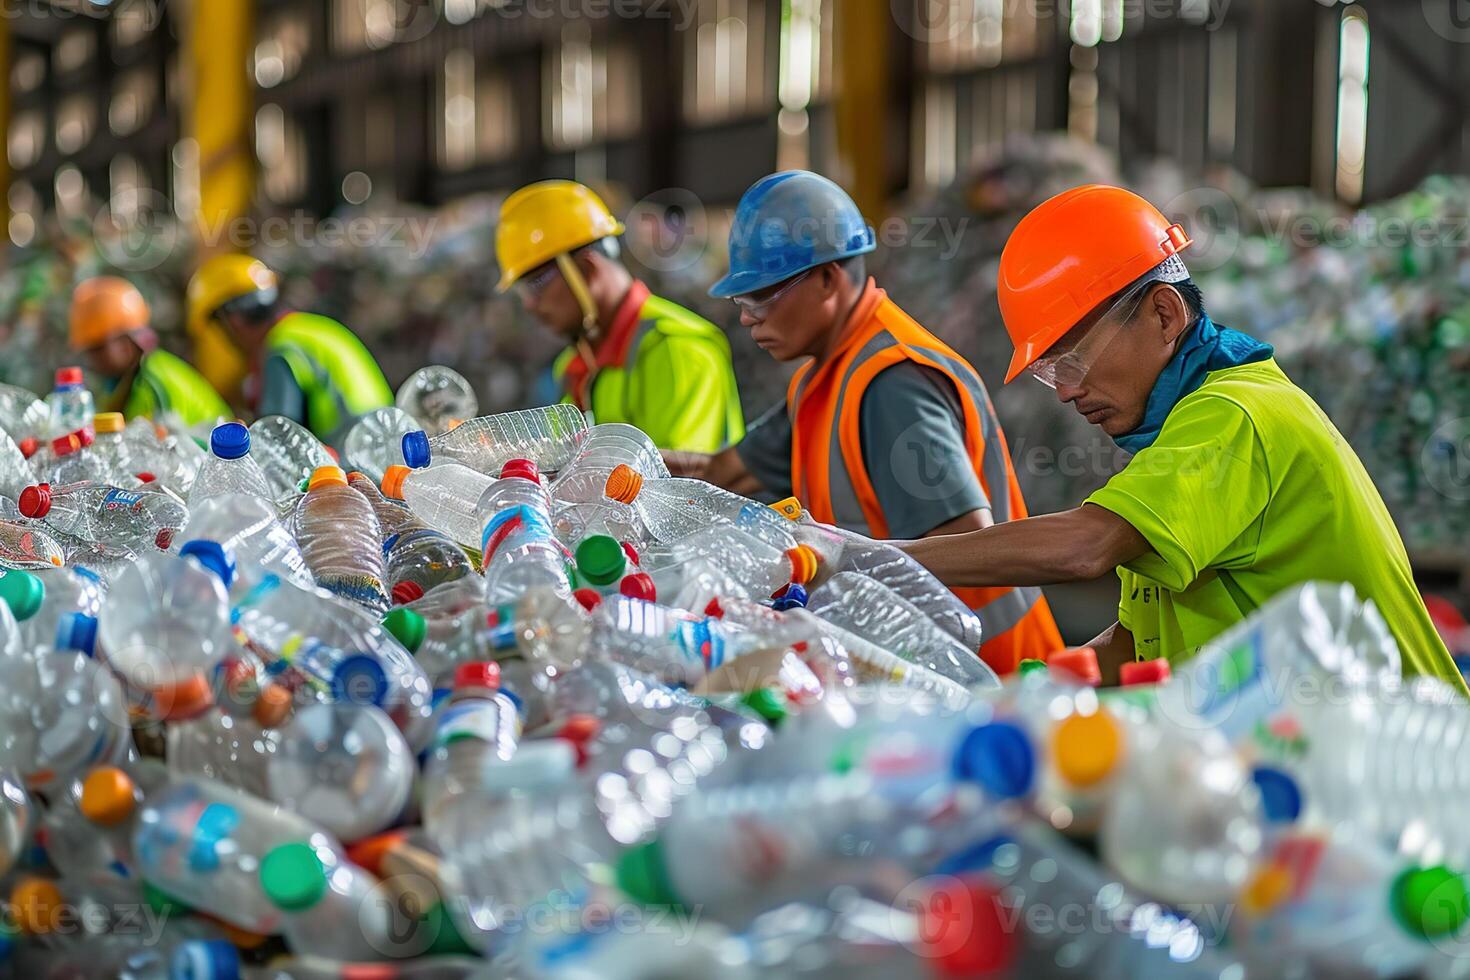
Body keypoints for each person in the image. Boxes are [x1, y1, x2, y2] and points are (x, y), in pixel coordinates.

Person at [902, 184, 1465, 690]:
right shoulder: (1173, 443)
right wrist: (1035, 692)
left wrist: (877, 561)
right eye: (1050, 373)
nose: (1065, 393)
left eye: (1070, 360)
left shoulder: (1237, 414)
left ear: (1166, 315)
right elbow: (1138, 641)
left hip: (1405, 767)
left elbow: (1084, 547)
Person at [667, 170, 1062, 675]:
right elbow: (723, 476)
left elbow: (967, 548)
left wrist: (841, 563)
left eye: (761, 296)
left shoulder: (892, 386)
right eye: (742, 302)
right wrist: (637, 475)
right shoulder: (820, 381)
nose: (747, 318)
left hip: (991, 685)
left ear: (828, 279)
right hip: (914, 674)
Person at [495, 180, 744, 453]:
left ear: (587, 269)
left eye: (537, 283)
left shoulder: (677, 348)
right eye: (521, 291)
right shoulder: (575, 366)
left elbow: (677, 486)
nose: (530, 304)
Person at [186, 254, 392, 445]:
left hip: (350, 462)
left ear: (234, 320)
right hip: (382, 448)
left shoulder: (282, 350)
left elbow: (277, 438)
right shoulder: (311, 328)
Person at [69, 276, 230, 428]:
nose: (93, 360)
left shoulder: (153, 384)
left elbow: (160, 450)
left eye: (98, 348)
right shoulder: (123, 384)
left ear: (126, 342)